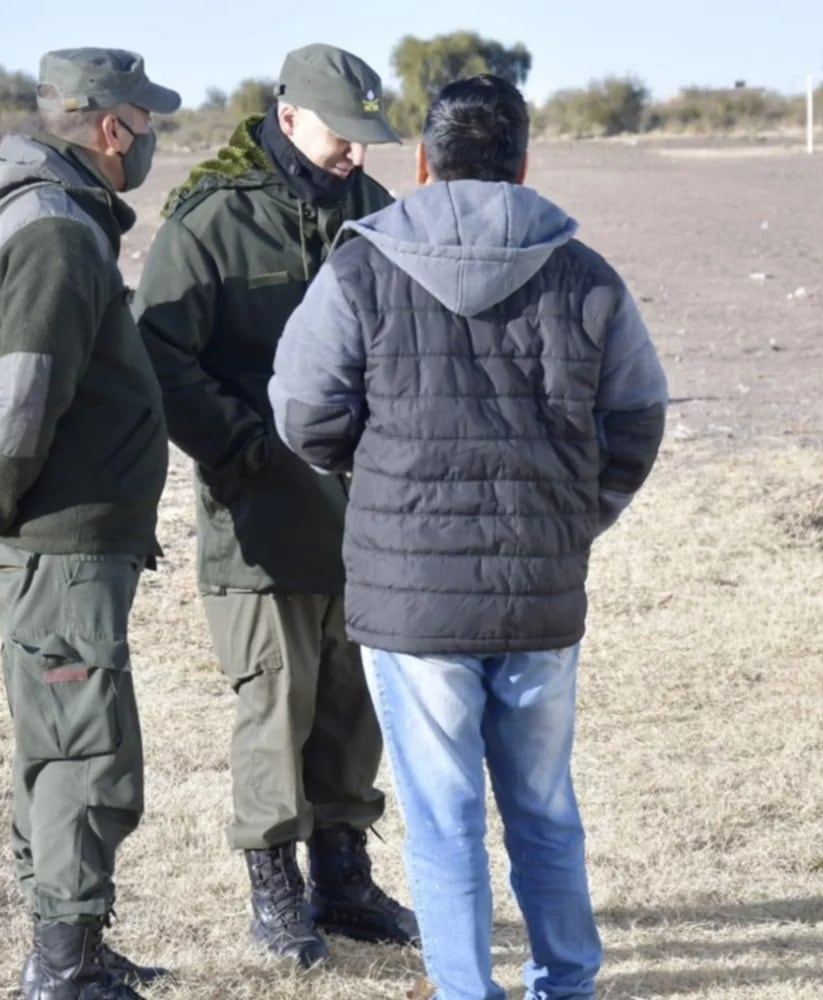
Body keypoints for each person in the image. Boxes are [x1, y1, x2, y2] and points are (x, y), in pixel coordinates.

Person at [268, 74, 669, 1000]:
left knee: (441, 817)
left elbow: (301, 411)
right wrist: (575, 517)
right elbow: (637, 419)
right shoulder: (586, 274)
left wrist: (371, 477)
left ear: (421, 163)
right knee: (543, 805)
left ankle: (465, 988)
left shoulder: (360, 267)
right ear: (524, 163)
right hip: (540, 591)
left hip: (413, 603)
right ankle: (566, 981)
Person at [132, 43, 417, 967]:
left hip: (368, 515)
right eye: (345, 136)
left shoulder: (377, 215)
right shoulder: (210, 221)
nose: (357, 155)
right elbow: (162, 359)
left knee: (353, 701)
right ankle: (275, 890)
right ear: (289, 116)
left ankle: (344, 879)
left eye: (370, 139)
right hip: (259, 517)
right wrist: (245, 451)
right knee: (276, 705)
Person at [0, 47, 179, 1000]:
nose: (154, 136)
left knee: (57, 736)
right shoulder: (56, 232)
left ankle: (69, 944)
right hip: (63, 538)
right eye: (148, 120)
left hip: (59, 535)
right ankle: (65, 966)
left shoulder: (53, 216)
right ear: (112, 128)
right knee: (84, 743)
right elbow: (19, 402)